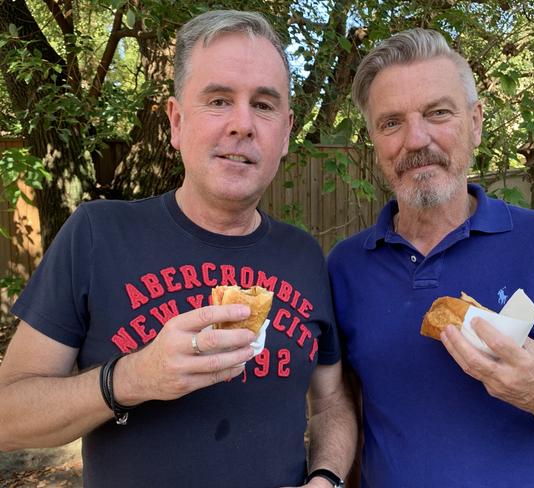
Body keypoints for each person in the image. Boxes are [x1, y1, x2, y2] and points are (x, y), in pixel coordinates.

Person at [0, 10, 355, 488]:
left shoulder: (305, 256)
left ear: (287, 132)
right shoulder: (98, 234)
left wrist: (327, 479)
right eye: (218, 100)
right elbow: (7, 419)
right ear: (175, 122)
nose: (242, 124)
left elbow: (332, 402)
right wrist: (131, 379)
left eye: (264, 105)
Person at [327, 28, 534, 488]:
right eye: (391, 122)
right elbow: (349, 411)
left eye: (438, 113)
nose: (416, 139)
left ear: (475, 122)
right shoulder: (346, 266)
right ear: (375, 141)